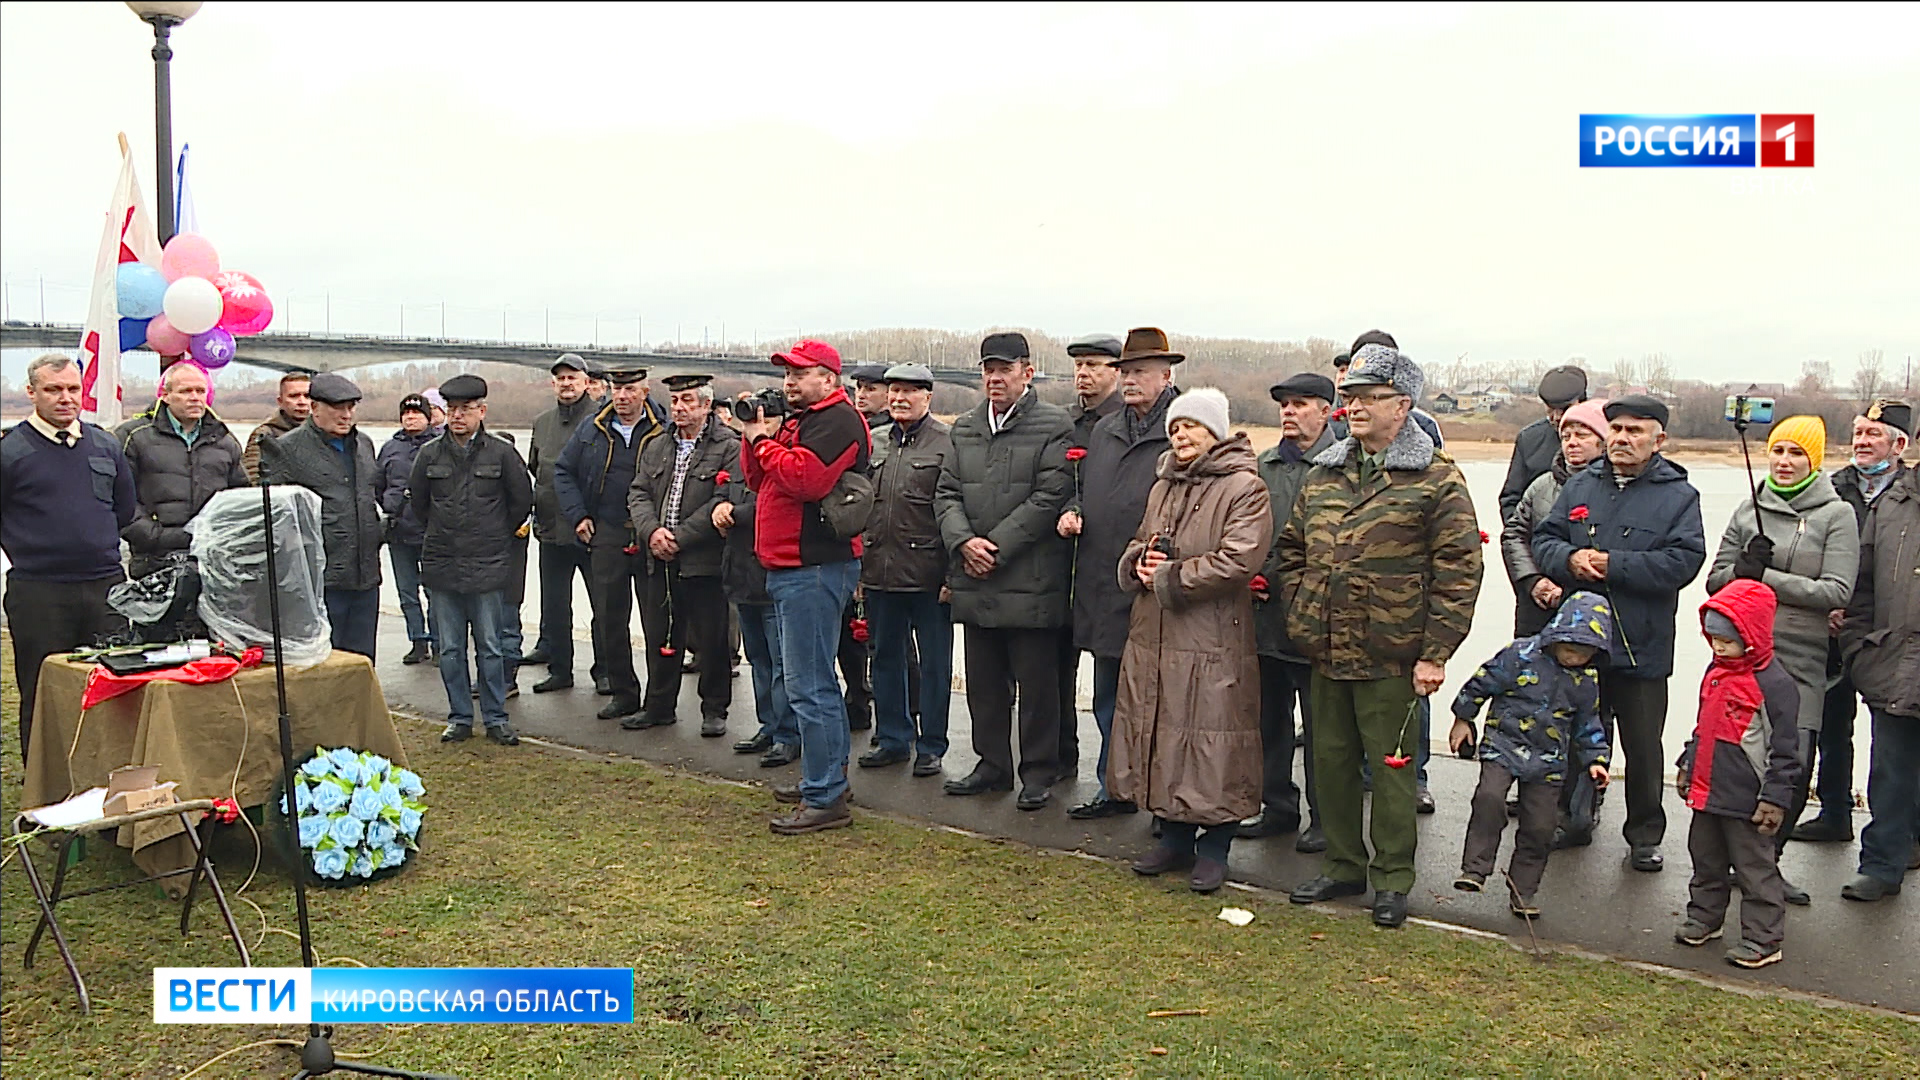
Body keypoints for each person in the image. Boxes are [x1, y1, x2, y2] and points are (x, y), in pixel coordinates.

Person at [1277, 344, 1483, 929]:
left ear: (1403, 405)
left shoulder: (1436, 479)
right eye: (1351, 397)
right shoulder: (1326, 473)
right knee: (1331, 763)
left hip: (1392, 654)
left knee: (1391, 770)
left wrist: (1436, 652)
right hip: (1325, 647)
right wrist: (1301, 611)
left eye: (1368, 398)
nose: (1355, 407)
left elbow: (1459, 570)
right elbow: (1292, 550)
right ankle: (1344, 867)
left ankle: (1392, 879)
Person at [1532, 395, 1706, 871]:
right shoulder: (1582, 484)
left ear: (1659, 440)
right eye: (1617, 430)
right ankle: (1573, 817)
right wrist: (1569, 560)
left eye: (1635, 431)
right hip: (1580, 643)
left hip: (1641, 642)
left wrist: (1615, 565)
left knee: (1643, 744)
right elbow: (1544, 539)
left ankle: (1645, 834)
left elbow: (1684, 562)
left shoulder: (1679, 495)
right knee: (1574, 734)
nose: (1623, 439)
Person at [1111, 388, 1272, 893]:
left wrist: (1170, 575)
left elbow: (1238, 560)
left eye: (1192, 427)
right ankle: (1174, 836)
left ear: (1215, 433)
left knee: (1213, 736)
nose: (1180, 435)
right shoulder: (1163, 484)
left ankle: (1216, 845)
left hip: (1211, 636)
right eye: (1176, 427)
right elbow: (1142, 538)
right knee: (1164, 727)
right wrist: (1140, 563)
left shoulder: (1245, 487)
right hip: (1155, 632)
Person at [1705, 416, 1856, 906]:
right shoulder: (1750, 508)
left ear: (1814, 460)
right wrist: (1740, 572)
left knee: (1792, 761)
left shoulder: (1837, 516)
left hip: (1800, 657)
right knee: (1734, 759)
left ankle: (1766, 864)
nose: (1785, 462)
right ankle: (1732, 861)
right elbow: (1715, 579)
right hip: (1741, 657)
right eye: (1778, 452)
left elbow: (1836, 590)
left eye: (1796, 453)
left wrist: (1766, 577)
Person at [937, 331, 1075, 811]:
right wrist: (962, 542)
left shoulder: (1054, 425)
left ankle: (1039, 771)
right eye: (988, 369)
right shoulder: (966, 426)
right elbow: (946, 493)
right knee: (984, 684)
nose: (995, 378)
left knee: (1038, 687)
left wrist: (995, 546)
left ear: (1027, 372)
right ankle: (991, 765)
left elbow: (1050, 496)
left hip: (1030, 578)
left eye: (1005, 369)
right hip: (975, 577)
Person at [741, 339, 871, 835]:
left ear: (830, 380)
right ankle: (827, 779)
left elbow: (807, 480)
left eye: (800, 373)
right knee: (810, 681)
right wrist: (756, 436)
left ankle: (825, 796)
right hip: (792, 567)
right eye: (786, 374)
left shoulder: (837, 420)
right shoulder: (802, 421)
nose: (789, 382)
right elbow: (758, 479)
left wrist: (762, 441)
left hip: (814, 567)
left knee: (808, 684)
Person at [1063, 330, 1178, 819]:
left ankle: (1166, 804)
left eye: (1140, 372)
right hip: (1104, 581)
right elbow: (1083, 488)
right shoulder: (1106, 429)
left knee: (1164, 704)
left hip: (1158, 587)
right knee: (1109, 697)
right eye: (1125, 372)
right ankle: (1114, 788)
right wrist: (1073, 509)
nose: (1130, 380)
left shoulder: (1182, 426)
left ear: (1167, 376)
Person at [0, 354, 137, 758]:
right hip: (39, 593)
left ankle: (106, 782)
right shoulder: (11, 451)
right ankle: (45, 791)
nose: (64, 398)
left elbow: (124, 509)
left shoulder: (105, 444)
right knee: (43, 692)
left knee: (111, 686)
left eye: (72, 389)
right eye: (52, 389)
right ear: (32, 393)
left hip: (105, 589)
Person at [1449, 591, 1613, 918]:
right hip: (1503, 745)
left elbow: (1589, 722)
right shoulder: (1519, 654)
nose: (1573, 659)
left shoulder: (1585, 681)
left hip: (1550, 761)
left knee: (1541, 827)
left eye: (1583, 654)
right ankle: (1475, 869)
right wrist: (1463, 719)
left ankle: (1523, 890)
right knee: (1489, 798)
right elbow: (1480, 683)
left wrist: (1597, 759)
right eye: (1569, 649)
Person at [1798, 399, 1913, 843]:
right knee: (1831, 722)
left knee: (1895, 739)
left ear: (1899, 444)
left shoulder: (1909, 491)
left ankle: (1904, 833)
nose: (1862, 442)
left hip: (1891, 632)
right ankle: (1834, 812)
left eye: (1873, 435)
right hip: (1832, 627)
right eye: (1858, 433)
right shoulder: (1833, 487)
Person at [1675, 579, 1801, 969]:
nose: (1717, 647)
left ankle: (1764, 939)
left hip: (1749, 798)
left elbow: (1785, 751)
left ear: (1752, 636)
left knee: (1755, 870)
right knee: (1706, 860)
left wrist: (1775, 798)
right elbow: (1705, 727)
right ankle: (1705, 917)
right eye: (1712, 639)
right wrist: (1687, 763)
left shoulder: (1776, 685)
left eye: (1726, 641)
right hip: (1709, 790)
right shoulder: (1716, 671)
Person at [407, 374, 532, 746]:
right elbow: (418, 503)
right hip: (443, 564)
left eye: (466, 409)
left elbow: (521, 502)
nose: (458, 416)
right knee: (449, 648)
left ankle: (495, 718)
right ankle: (460, 717)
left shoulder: (502, 453)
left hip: (488, 564)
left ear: (482, 411)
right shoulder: (429, 454)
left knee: (491, 647)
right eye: (452, 410)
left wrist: (493, 535)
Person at [1247, 372, 1339, 848]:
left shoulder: (1342, 465)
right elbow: (1247, 528)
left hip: (1317, 619)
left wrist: (1278, 574)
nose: (1289, 412)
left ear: (1327, 411)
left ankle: (1325, 820)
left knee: (1322, 729)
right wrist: (1250, 573)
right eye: (1284, 404)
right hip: (1264, 617)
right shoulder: (1264, 466)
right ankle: (1276, 805)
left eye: (1301, 404)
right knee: (1269, 722)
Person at [552, 364, 669, 723]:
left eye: (630, 390)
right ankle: (623, 693)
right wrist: (578, 516)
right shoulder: (593, 428)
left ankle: (660, 702)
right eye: (617, 390)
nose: (621, 397)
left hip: (652, 533)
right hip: (607, 531)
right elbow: (563, 471)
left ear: (644, 392)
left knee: (657, 622)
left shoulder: (665, 429)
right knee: (609, 616)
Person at [857, 362, 954, 776]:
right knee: (884, 658)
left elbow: (955, 509)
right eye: (893, 390)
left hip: (929, 575)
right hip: (879, 570)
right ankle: (893, 737)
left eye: (909, 391)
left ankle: (931, 744)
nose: (899, 398)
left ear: (927, 397)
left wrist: (953, 576)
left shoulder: (948, 444)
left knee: (934, 664)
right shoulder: (874, 442)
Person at [629, 374, 739, 734]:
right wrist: (651, 532)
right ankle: (659, 706)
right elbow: (638, 492)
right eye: (675, 400)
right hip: (658, 558)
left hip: (704, 560)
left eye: (688, 400)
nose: (679, 407)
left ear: (706, 405)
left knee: (712, 638)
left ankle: (714, 710)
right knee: (661, 634)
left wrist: (680, 537)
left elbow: (723, 500)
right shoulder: (657, 445)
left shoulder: (728, 447)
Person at [1839, 440, 1920, 902]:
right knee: (1890, 769)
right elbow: (1861, 585)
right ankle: (1882, 865)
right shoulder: (1892, 503)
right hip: (1893, 660)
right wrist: (1858, 648)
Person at [257, 372, 385, 660]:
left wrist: (381, 531)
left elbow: (368, 501)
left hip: (365, 575)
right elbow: (277, 520)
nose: (346, 415)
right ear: (314, 408)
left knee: (362, 662)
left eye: (351, 407)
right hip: (321, 580)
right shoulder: (287, 449)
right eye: (337, 408)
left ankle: (361, 707)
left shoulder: (363, 445)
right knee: (326, 662)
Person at [714, 403, 799, 768]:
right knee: (759, 659)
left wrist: (735, 513)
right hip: (742, 575)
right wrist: (718, 506)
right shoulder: (738, 453)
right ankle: (768, 724)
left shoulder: (785, 455)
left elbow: (775, 502)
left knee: (784, 664)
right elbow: (723, 491)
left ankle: (788, 734)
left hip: (773, 576)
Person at [1056, 333, 1124, 777]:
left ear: (1117, 372)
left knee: (1110, 687)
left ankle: (1113, 777)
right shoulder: (1064, 422)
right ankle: (1060, 760)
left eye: (1095, 365)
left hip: (1108, 570)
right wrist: (1067, 508)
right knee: (1055, 676)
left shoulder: (1123, 426)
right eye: (1079, 366)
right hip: (1062, 567)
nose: (1084, 374)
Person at [118, 360, 249, 579]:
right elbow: (120, 498)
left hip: (212, 559)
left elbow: (240, 497)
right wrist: (154, 536)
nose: (195, 397)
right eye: (186, 391)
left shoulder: (224, 440)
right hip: (155, 560)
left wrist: (225, 535)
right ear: (165, 395)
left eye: (200, 391)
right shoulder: (134, 436)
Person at [525, 353, 604, 693]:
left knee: (603, 605)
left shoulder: (602, 419)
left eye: (573, 377)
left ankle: (605, 671)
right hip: (551, 531)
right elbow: (534, 467)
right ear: (552, 384)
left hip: (593, 532)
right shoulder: (542, 422)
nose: (567, 383)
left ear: (587, 382)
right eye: (560, 378)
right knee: (555, 606)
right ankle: (560, 670)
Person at [1503, 398, 1609, 638]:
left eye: (1581, 435)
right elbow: (1514, 534)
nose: (1572, 443)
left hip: (1593, 608)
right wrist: (1533, 580)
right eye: (1566, 437)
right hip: (1539, 605)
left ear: (1602, 442)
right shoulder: (1541, 486)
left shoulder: (1616, 490)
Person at [839, 363, 890, 734]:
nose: (862, 393)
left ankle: (898, 715)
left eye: (872, 388)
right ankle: (857, 698)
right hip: (848, 545)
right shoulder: (853, 429)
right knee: (849, 636)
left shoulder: (889, 436)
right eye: (859, 386)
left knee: (888, 643)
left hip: (882, 550)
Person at [376, 394, 440, 665]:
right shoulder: (390, 447)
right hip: (399, 530)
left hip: (432, 532)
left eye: (416, 413)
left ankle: (440, 642)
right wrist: (389, 506)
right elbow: (377, 484)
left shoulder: (440, 446)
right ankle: (417, 641)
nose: (411, 418)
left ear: (428, 417)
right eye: (406, 414)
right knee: (406, 592)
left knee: (436, 591)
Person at [1498, 365, 1588, 520]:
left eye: (1564, 409)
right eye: (1551, 409)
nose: (1557, 416)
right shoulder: (1529, 439)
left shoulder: (1604, 436)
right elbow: (1511, 499)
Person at [242, 372, 312, 483]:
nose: (302, 402)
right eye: (294, 396)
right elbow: (250, 478)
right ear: (280, 401)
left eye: (307, 396)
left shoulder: (321, 432)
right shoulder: (264, 435)